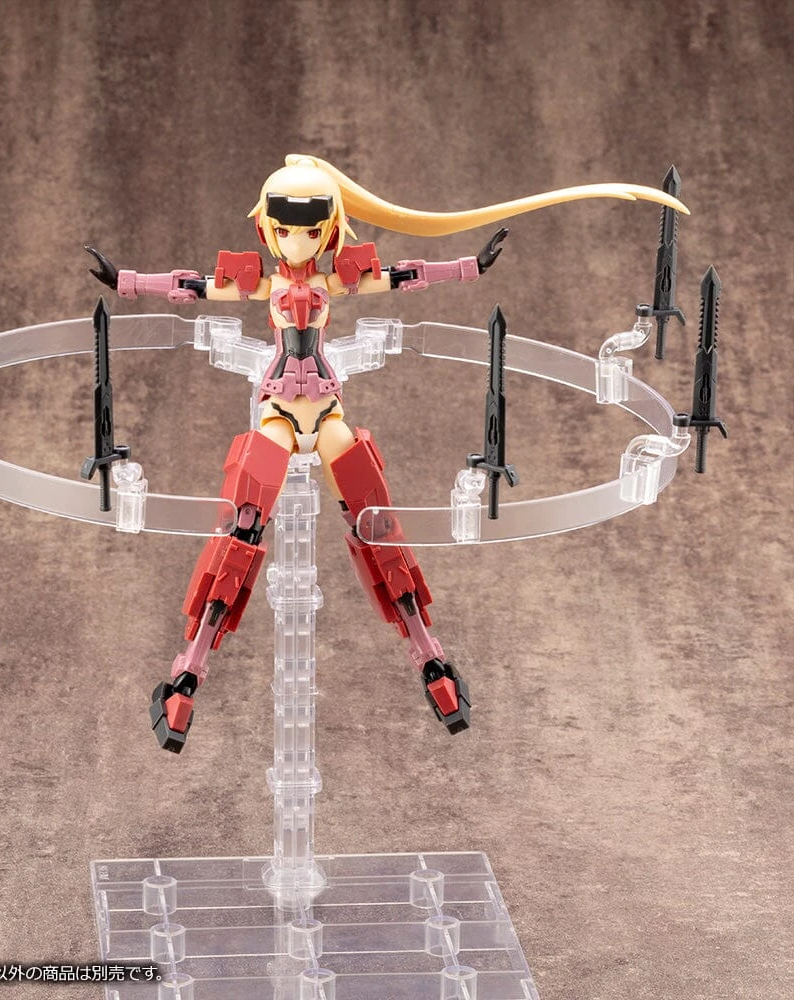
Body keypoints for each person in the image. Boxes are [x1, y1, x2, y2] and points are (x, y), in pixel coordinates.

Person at [87, 154, 687, 752]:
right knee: (243, 525)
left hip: (326, 413)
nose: (297, 240)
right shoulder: (261, 284)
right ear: (267, 227)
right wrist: (126, 282)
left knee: (375, 521)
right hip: (278, 413)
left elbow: (403, 276)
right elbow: (190, 285)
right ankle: (188, 672)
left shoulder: (333, 282)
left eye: (310, 229)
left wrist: (469, 267)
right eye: (286, 227)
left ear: (328, 230)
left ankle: (430, 657)